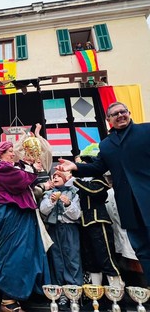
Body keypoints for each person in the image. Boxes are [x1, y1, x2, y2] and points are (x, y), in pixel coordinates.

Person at [56, 101, 150, 287]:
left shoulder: (146, 131)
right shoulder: (106, 145)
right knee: (142, 250)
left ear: (129, 113)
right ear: (108, 120)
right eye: (115, 114)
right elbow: (98, 167)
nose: (120, 115)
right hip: (128, 205)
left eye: (123, 111)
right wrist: (75, 167)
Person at [0, 141, 51, 312]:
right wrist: (30, 166)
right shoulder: (0, 168)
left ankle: (15, 296)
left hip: (14, 212)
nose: (13, 154)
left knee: (22, 253)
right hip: (7, 212)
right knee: (13, 254)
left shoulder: (8, 167)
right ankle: (8, 300)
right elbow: (21, 181)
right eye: (10, 151)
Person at [73, 153, 123, 289]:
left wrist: (73, 180)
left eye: (81, 164)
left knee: (105, 255)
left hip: (98, 221)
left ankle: (116, 290)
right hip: (84, 223)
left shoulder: (98, 181)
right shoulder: (80, 182)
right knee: (91, 259)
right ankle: (96, 293)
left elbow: (93, 191)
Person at [40, 170, 82, 311]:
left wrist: (68, 203)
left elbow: (76, 214)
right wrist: (52, 201)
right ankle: (61, 293)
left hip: (69, 229)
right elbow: (43, 210)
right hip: (54, 228)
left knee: (72, 258)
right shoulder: (48, 194)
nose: (56, 177)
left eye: (59, 176)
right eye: (55, 176)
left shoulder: (74, 193)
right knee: (57, 259)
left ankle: (74, 293)